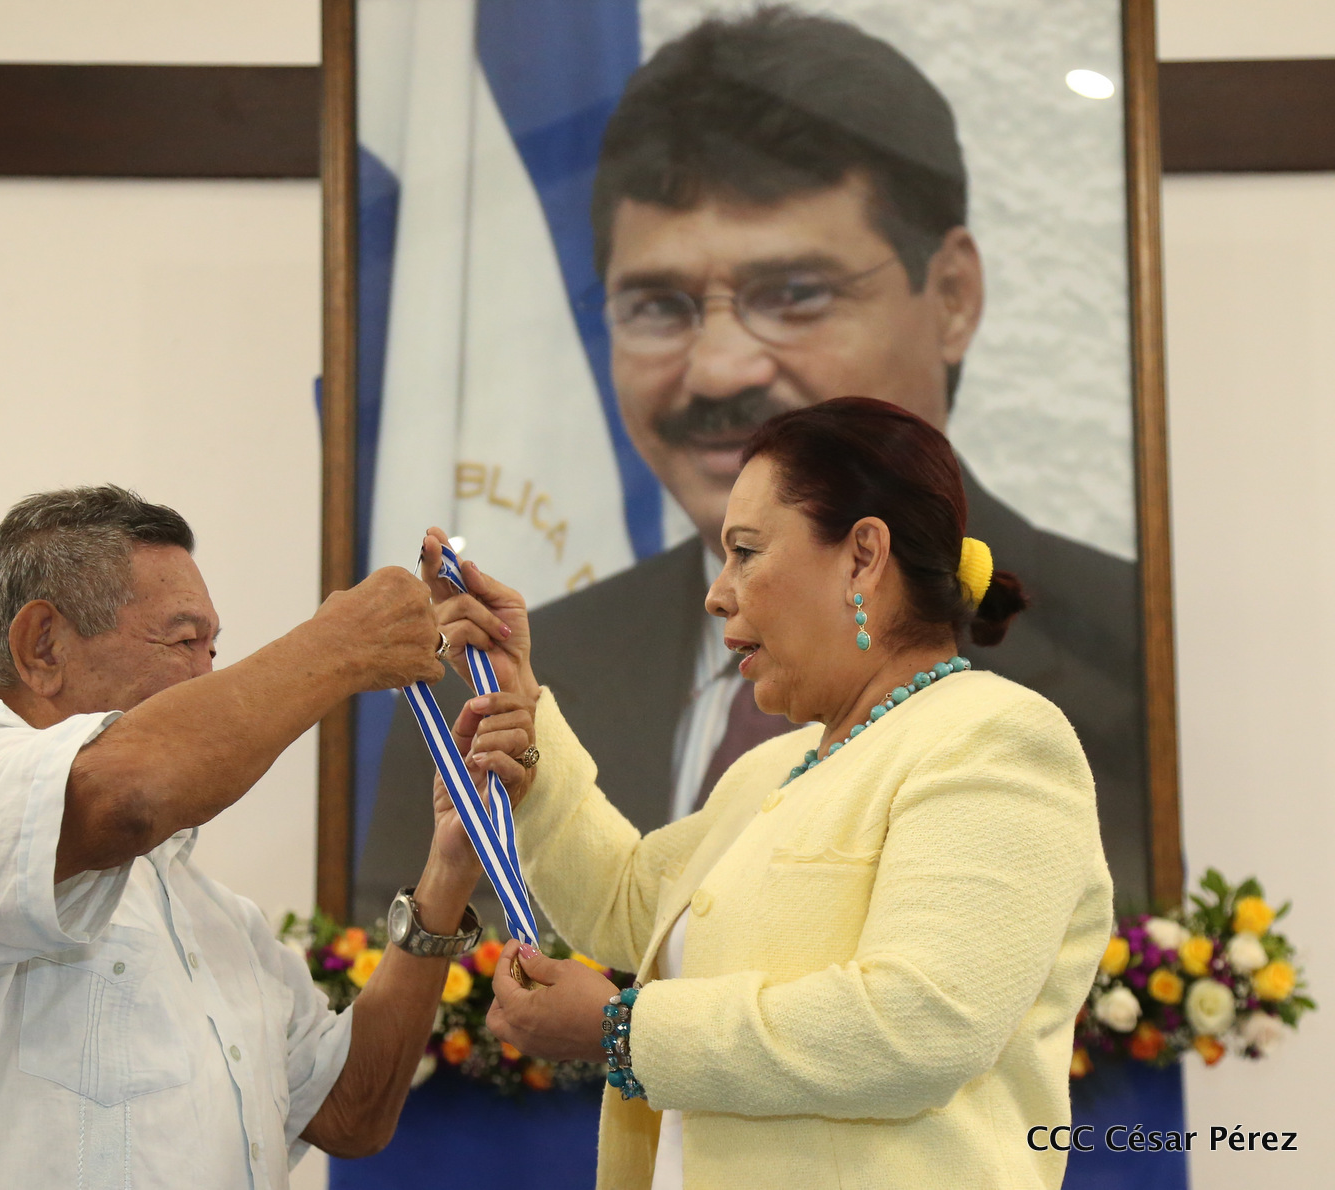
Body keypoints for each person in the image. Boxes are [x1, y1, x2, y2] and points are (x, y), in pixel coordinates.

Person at [356, 6, 1145, 926]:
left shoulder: (1120, 650)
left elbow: (917, 1001)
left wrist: (619, 1010)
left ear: (954, 296)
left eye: (794, 293)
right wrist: (529, 722)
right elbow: (631, 905)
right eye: (659, 305)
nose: (720, 368)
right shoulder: (495, 689)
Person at [432, 399, 1113, 1190]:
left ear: (863, 557)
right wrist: (521, 703)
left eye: (746, 552)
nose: (718, 594)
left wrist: (625, 1033)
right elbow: (627, 903)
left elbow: (922, 1023)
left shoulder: (994, 736)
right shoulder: (776, 766)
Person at [0, 486, 506, 1190]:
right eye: (183, 641)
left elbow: (353, 1113)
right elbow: (127, 797)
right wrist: (340, 645)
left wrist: (447, 871)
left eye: (214, 648)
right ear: (42, 647)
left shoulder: (215, 916)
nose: (210, 676)